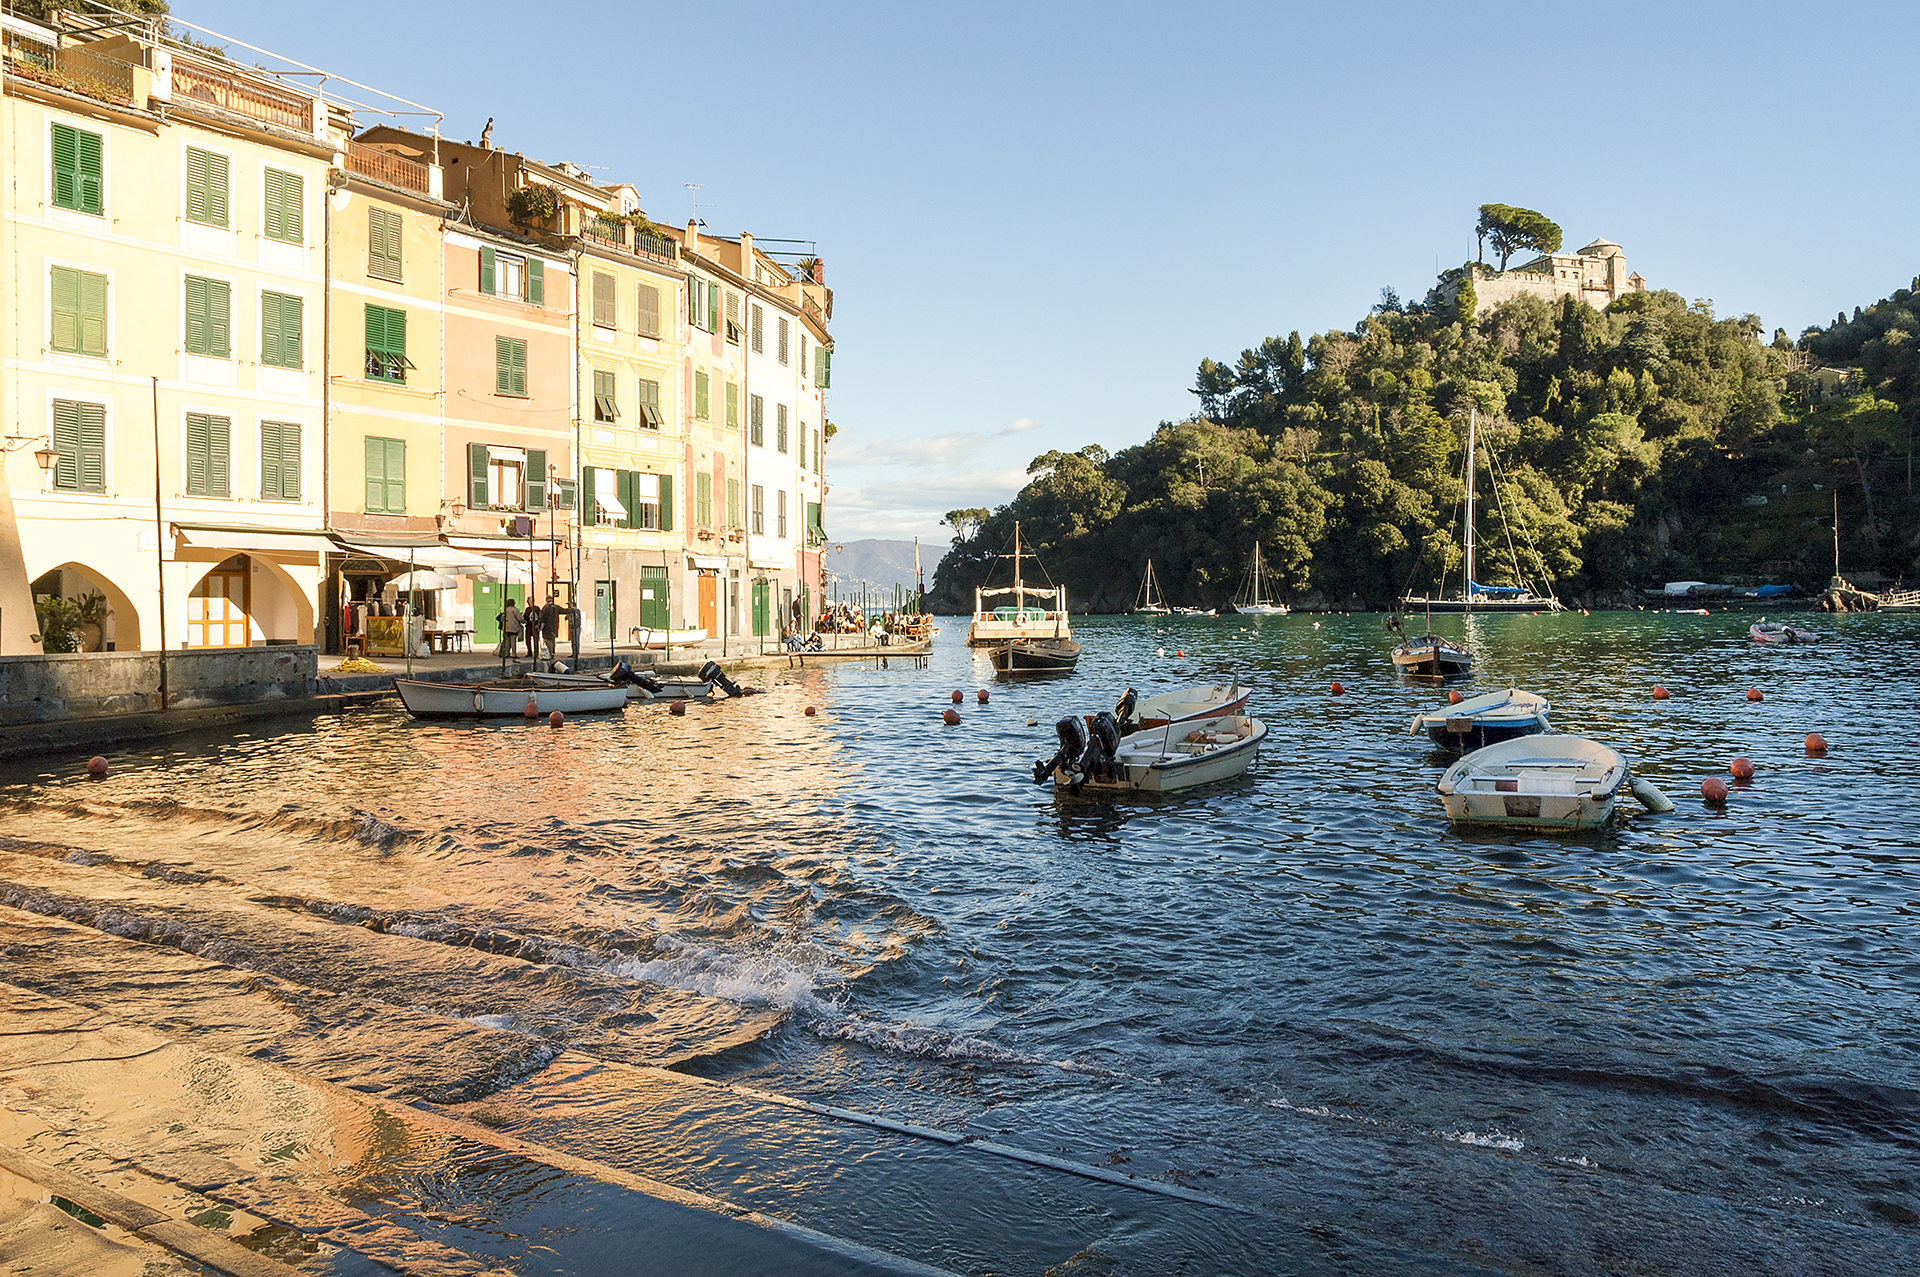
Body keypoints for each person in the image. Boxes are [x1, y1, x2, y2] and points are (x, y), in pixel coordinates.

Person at [541, 596, 562, 662]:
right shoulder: (556, 607)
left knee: (548, 641)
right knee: (552, 641)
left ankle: (550, 654)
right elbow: (564, 610)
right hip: (554, 628)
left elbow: (542, 619)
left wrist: (540, 627)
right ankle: (552, 653)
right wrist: (572, 609)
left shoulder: (545, 608)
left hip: (547, 628)